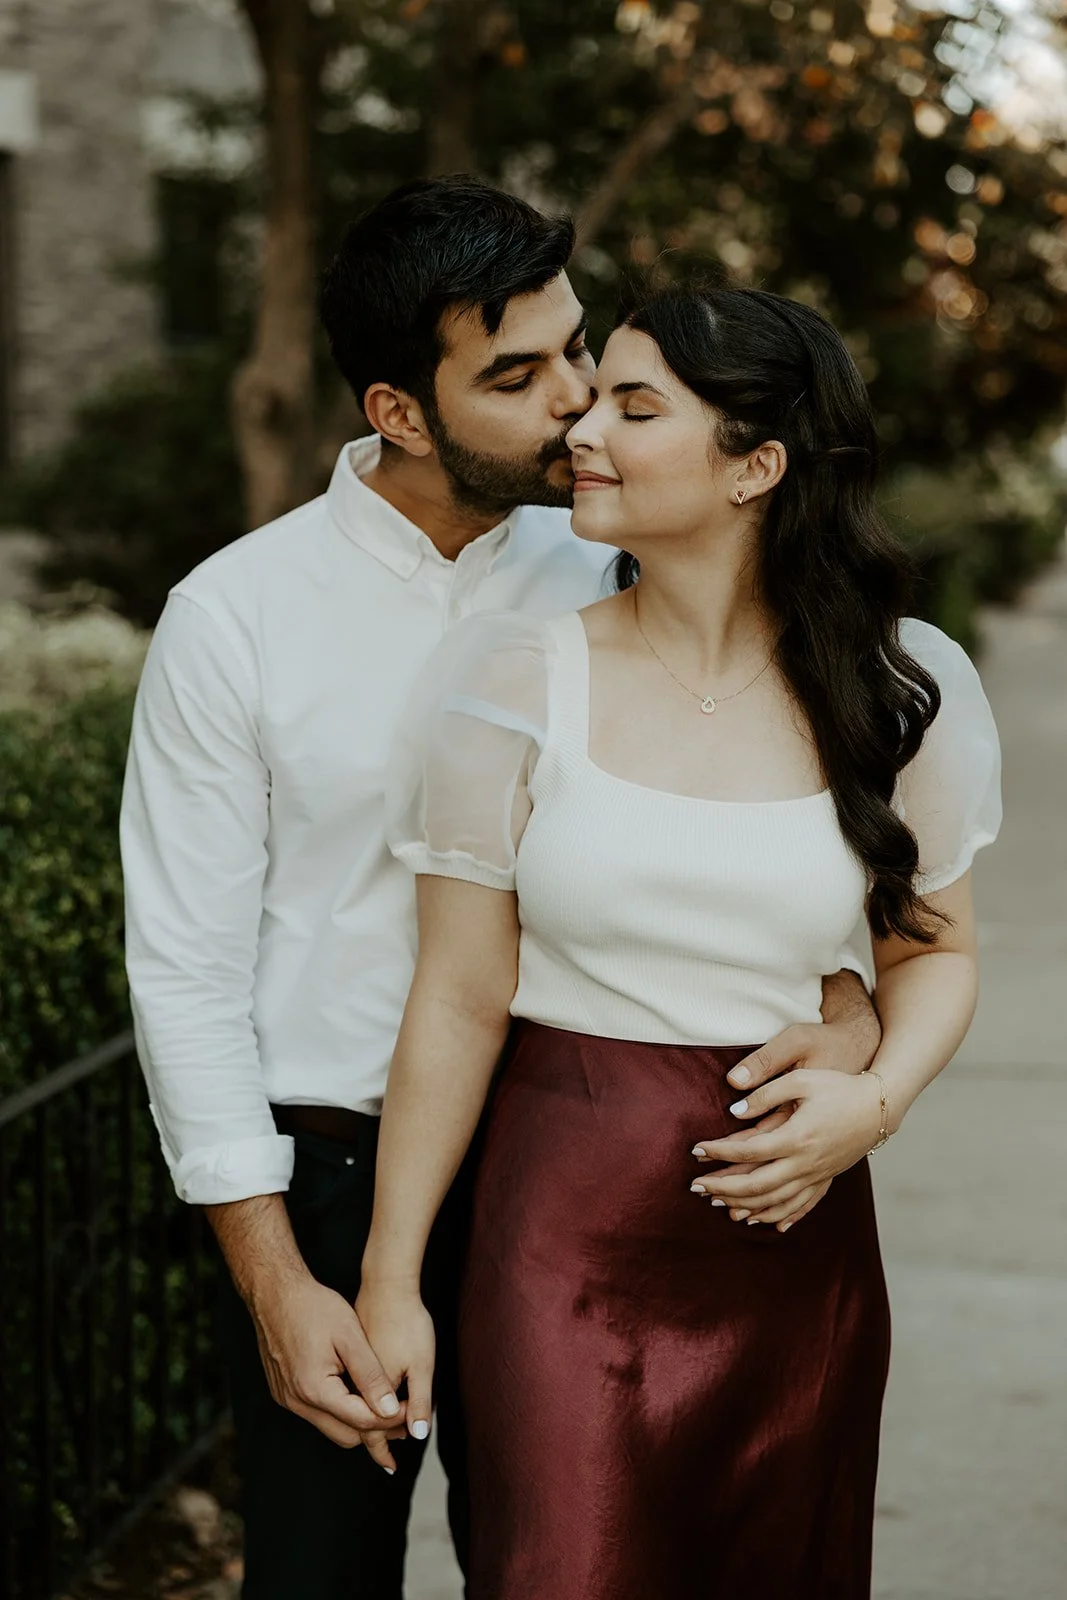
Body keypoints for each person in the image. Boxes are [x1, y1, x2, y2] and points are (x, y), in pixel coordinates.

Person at [121, 179, 881, 1600]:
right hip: (334, 1181)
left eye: (580, 353)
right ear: (399, 411)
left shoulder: (623, 557)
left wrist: (844, 1009)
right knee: (317, 1577)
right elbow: (184, 969)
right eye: (519, 377)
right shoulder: (237, 619)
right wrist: (280, 1284)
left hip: (564, 1168)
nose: (577, 406)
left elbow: (767, 820)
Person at [356, 282, 1002, 1600]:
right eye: (598, 397)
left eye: (633, 406)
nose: (581, 426)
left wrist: (870, 1102)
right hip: (557, 1237)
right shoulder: (513, 682)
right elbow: (458, 997)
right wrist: (389, 1276)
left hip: (794, 1238)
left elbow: (930, 953)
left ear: (755, 465)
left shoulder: (900, 689)